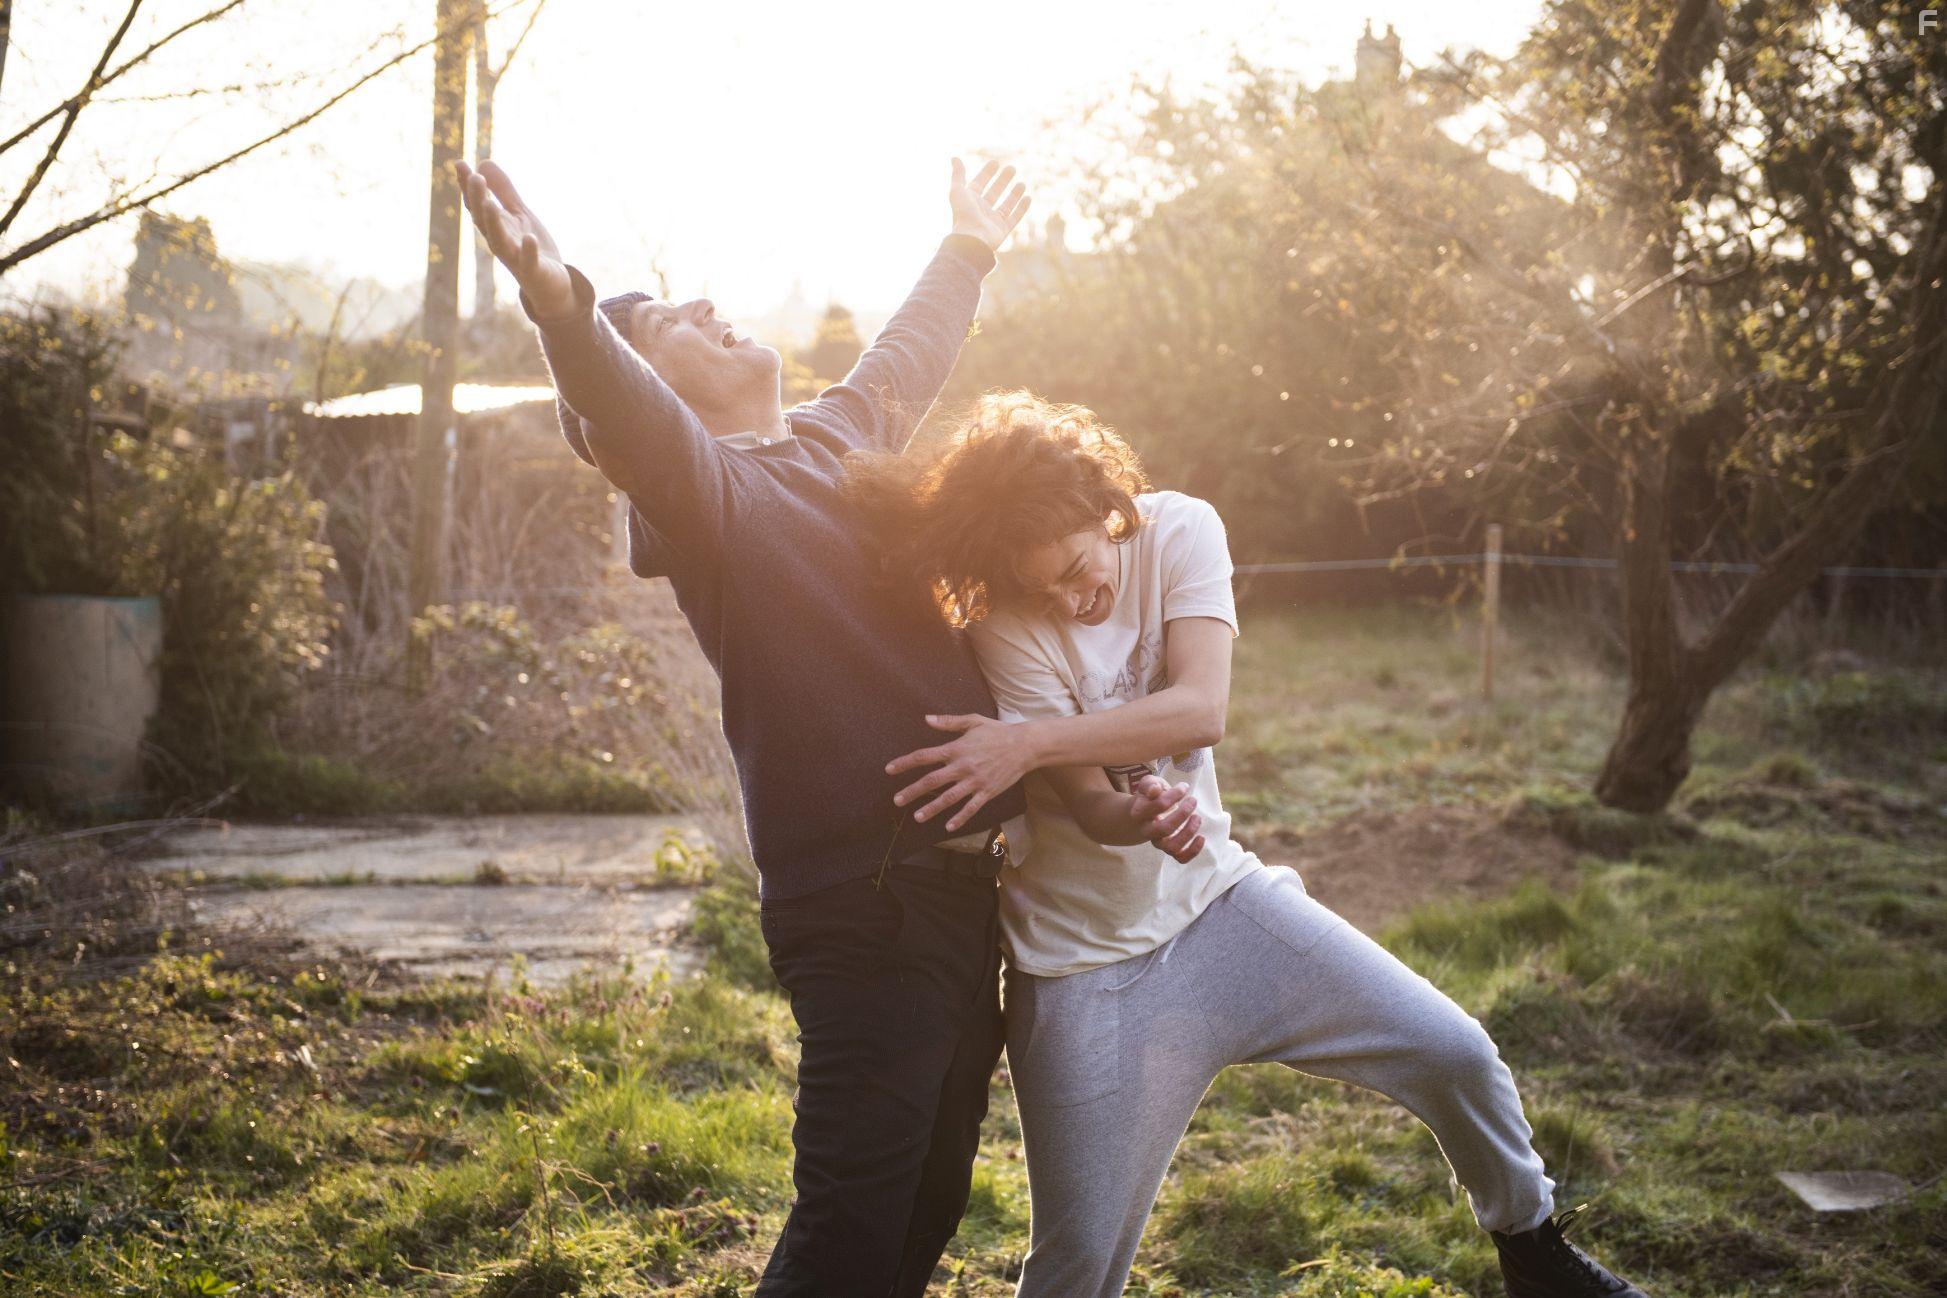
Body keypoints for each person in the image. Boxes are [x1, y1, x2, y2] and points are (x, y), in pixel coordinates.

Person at [851, 391, 1651, 1298]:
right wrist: (1140, 810)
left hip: (1222, 908)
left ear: (1104, 507)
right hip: (1085, 970)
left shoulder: (1181, 531)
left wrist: (1025, 744)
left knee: (1453, 1052)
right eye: (1042, 590)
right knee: (1075, 1271)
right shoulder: (1003, 620)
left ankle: (1535, 1253)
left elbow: (1203, 709)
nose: (1071, 601)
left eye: (1077, 567)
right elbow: (1087, 811)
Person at [457, 157, 1048, 1297]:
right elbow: (623, 412)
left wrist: (968, 245)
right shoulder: (711, 498)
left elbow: (909, 350)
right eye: (675, 324)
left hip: (961, 899)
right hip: (870, 905)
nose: (709, 312)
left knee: (922, 1206)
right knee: (847, 1230)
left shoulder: (834, 442)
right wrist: (563, 307)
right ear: (647, 401)